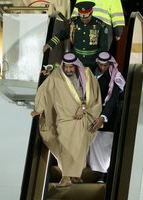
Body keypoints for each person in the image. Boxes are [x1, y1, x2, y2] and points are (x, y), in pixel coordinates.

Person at [31, 52, 102, 187]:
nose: (68, 70)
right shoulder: (57, 75)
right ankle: (66, 177)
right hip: (64, 119)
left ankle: (73, 176)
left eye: (71, 67)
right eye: (66, 67)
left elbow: (93, 94)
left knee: (79, 148)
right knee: (64, 146)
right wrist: (39, 108)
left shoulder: (86, 74)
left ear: (76, 66)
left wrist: (83, 108)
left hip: (82, 118)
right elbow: (45, 90)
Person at [88, 51, 125, 183]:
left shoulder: (115, 76)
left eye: (106, 65)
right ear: (97, 63)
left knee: (104, 147)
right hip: (89, 116)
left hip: (107, 119)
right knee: (91, 146)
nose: (103, 68)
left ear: (110, 63)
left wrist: (102, 117)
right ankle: (91, 173)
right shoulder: (89, 73)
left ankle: (103, 176)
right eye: (101, 65)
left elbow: (113, 99)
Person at [43, 1, 108, 72]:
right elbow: (62, 34)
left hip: (92, 62)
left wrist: (101, 62)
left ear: (91, 12)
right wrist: (50, 43)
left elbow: (103, 47)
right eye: (81, 17)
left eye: (86, 17)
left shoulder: (100, 25)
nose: (84, 19)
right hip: (76, 61)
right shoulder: (74, 23)